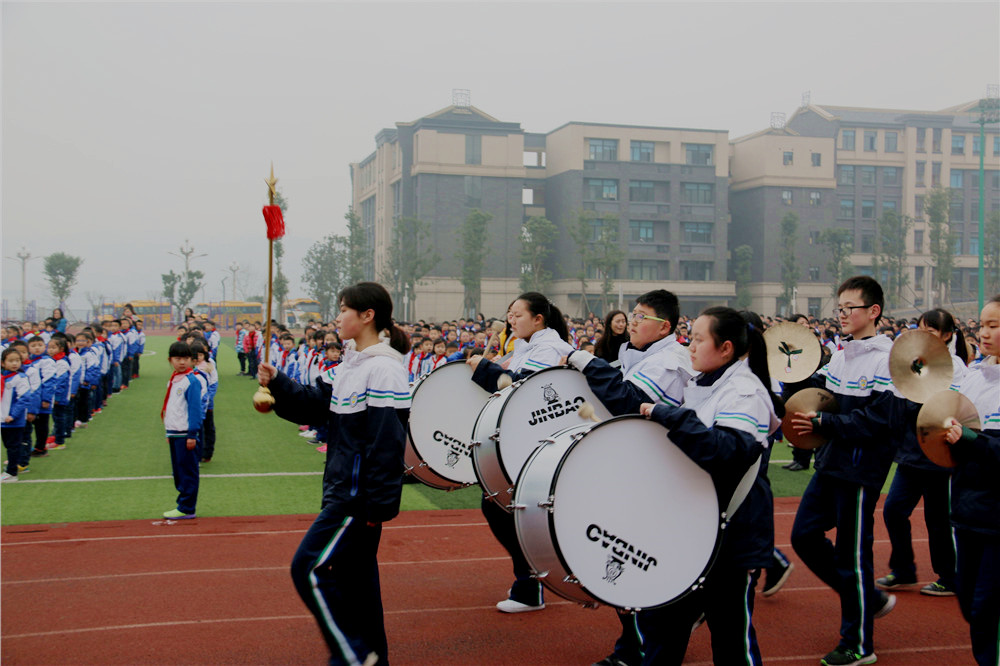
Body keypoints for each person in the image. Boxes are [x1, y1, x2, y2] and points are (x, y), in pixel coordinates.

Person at [257, 282, 411, 666]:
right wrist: (277, 382)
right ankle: (372, 657)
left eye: (343, 309)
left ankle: (353, 656)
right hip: (345, 489)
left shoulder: (383, 370)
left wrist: (377, 504)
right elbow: (311, 407)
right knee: (357, 584)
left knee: (308, 568)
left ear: (367, 315)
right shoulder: (350, 365)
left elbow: (387, 443)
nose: (337, 316)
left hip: (356, 499)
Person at [632, 307, 781, 665]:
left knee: (732, 643)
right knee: (662, 630)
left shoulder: (745, 392)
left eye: (698, 339)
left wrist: (667, 414)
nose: (690, 346)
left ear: (726, 348)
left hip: (730, 539)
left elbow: (728, 451)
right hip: (695, 532)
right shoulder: (707, 383)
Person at [564, 290, 692, 666]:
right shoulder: (641, 354)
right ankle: (635, 647)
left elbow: (628, 401)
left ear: (665, 326)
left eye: (641, 316)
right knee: (623, 565)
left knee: (638, 567)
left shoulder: (670, 360)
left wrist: (587, 362)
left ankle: (640, 650)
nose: (632, 321)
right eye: (632, 314)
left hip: (656, 477)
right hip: (635, 470)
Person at [786, 276, 899, 666]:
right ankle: (870, 598)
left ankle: (859, 644)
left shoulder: (888, 359)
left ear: (874, 312)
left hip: (860, 470)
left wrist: (825, 424)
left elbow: (880, 420)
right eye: (840, 308)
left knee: (854, 556)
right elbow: (818, 396)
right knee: (802, 536)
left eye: (850, 307)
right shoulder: (840, 354)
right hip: (831, 463)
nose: (843, 314)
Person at [466, 292, 573, 614]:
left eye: (517, 315)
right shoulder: (527, 347)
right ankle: (531, 581)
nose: (511, 320)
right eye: (509, 315)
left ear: (538, 319)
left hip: (540, 442)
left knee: (508, 508)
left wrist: (484, 369)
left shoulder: (549, 348)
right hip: (524, 442)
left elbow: (523, 388)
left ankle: (535, 581)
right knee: (499, 506)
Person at [876, 308, 968, 597]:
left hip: (941, 457)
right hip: (911, 454)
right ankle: (904, 569)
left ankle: (950, 577)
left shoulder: (958, 369)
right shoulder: (913, 363)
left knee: (938, 519)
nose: (923, 336)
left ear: (947, 335)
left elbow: (957, 409)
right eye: (920, 329)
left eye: (931, 331)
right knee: (893, 510)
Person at [942, 294, 999, 666]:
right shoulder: (976, 377)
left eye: (994, 325)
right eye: (982, 324)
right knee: (968, 601)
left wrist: (971, 439)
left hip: (997, 519)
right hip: (967, 512)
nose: (984, 332)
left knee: (985, 609)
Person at [161, 341, 203, 520]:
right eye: (178, 359)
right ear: (170, 360)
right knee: (178, 471)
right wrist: (168, 431)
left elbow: (195, 409)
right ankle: (183, 504)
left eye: (186, 358)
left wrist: (192, 434)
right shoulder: (174, 378)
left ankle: (187, 507)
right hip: (174, 432)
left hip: (186, 434)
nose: (182, 362)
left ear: (191, 360)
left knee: (187, 472)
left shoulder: (191, 380)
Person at [1, 348, 32, 482]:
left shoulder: (20, 378)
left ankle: (12, 472)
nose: (14, 363)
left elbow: (24, 398)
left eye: (17, 360)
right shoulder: (3, 377)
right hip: (3, 419)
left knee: (13, 446)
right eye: (11, 361)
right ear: (3, 363)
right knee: (8, 445)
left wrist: (13, 415)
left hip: (14, 420)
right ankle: (11, 469)